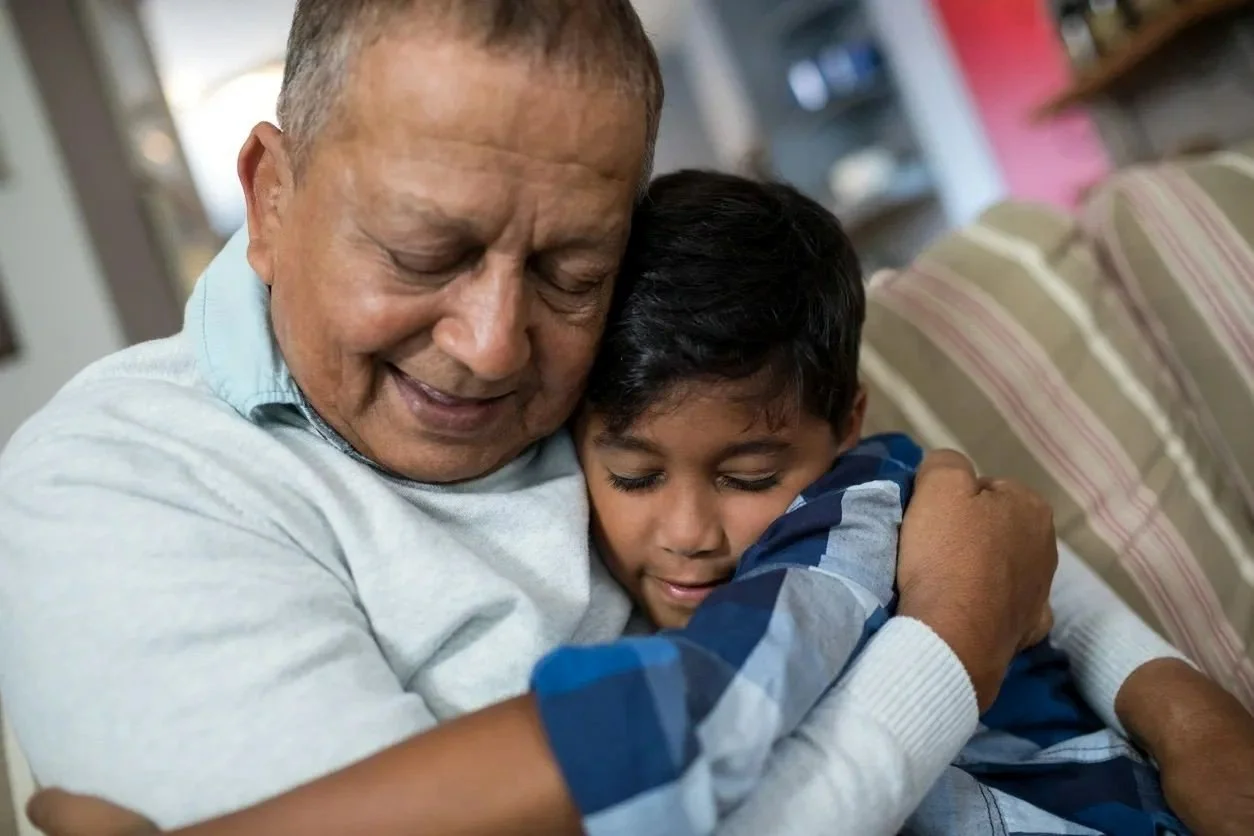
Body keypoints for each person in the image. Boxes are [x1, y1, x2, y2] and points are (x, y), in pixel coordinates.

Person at [0, 2, 1239, 835]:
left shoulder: (628, 367)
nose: (492, 347)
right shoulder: (121, 485)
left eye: (570, 271)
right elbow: (951, 577)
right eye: (423, 249)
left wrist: (1174, 695)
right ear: (270, 201)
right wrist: (950, 646)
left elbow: (930, 506)